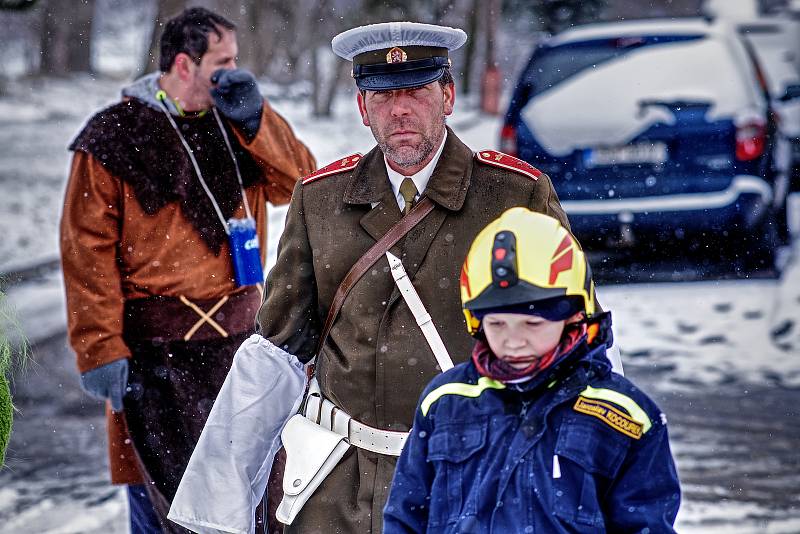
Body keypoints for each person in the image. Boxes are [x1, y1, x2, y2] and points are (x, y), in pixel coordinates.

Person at [254, 21, 580, 533]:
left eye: (416, 91)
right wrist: (234, 476)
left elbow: (574, 342)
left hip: (470, 475)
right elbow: (277, 349)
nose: (399, 110)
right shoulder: (319, 200)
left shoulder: (515, 196)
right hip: (339, 485)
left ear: (447, 96)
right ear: (363, 109)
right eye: (382, 96)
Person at [60, 6, 315, 533]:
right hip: (154, 359)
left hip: (238, 351)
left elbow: (307, 184)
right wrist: (99, 347)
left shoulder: (237, 124)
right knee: (162, 502)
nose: (234, 74)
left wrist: (259, 119)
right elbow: (87, 252)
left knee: (249, 494)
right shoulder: (114, 136)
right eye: (222, 62)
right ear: (183, 64)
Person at [383, 207, 681, 533]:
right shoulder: (446, 400)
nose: (513, 341)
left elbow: (645, 524)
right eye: (497, 324)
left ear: (572, 316)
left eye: (531, 323)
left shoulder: (624, 416)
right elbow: (405, 517)